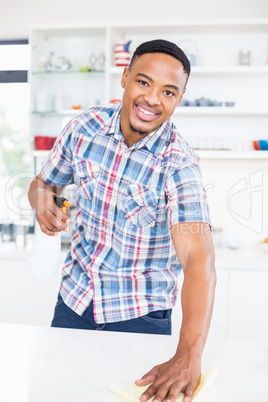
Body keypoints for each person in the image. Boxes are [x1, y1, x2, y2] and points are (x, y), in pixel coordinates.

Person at [28, 39, 216, 402]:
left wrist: (189, 355)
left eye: (168, 91)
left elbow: (199, 260)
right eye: (144, 83)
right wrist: (40, 199)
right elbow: (45, 182)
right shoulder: (84, 129)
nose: (152, 100)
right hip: (73, 304)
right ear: (125, 77)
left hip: (140, 319)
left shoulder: (179, 164)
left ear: (180, 97)